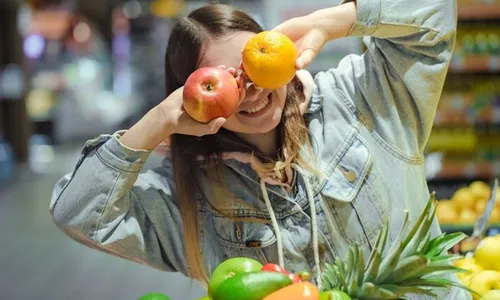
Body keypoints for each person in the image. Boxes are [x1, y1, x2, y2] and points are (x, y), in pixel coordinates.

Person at [50, 0, 468, 298]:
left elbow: (435, 12)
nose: (249, 90)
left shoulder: (360, 98)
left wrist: (336, 21)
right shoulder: (188, 196)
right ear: (191, 93)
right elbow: (77, 213)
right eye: (226, 80)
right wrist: (156, 122)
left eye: (257, 65)